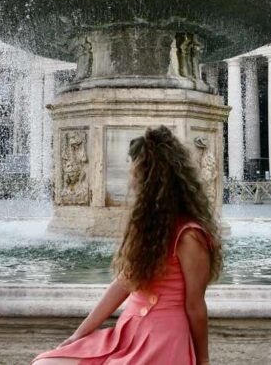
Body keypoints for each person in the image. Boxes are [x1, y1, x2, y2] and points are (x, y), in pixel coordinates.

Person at [33, 126, 222, 365]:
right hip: (128, 335)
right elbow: (123, 283)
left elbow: (195, 306)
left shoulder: (189, 236)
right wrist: (79, 334)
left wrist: (203, 360)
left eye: (135, 173)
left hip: (163, 341)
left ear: (153, 180)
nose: (130, 179)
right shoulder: (150, 224)